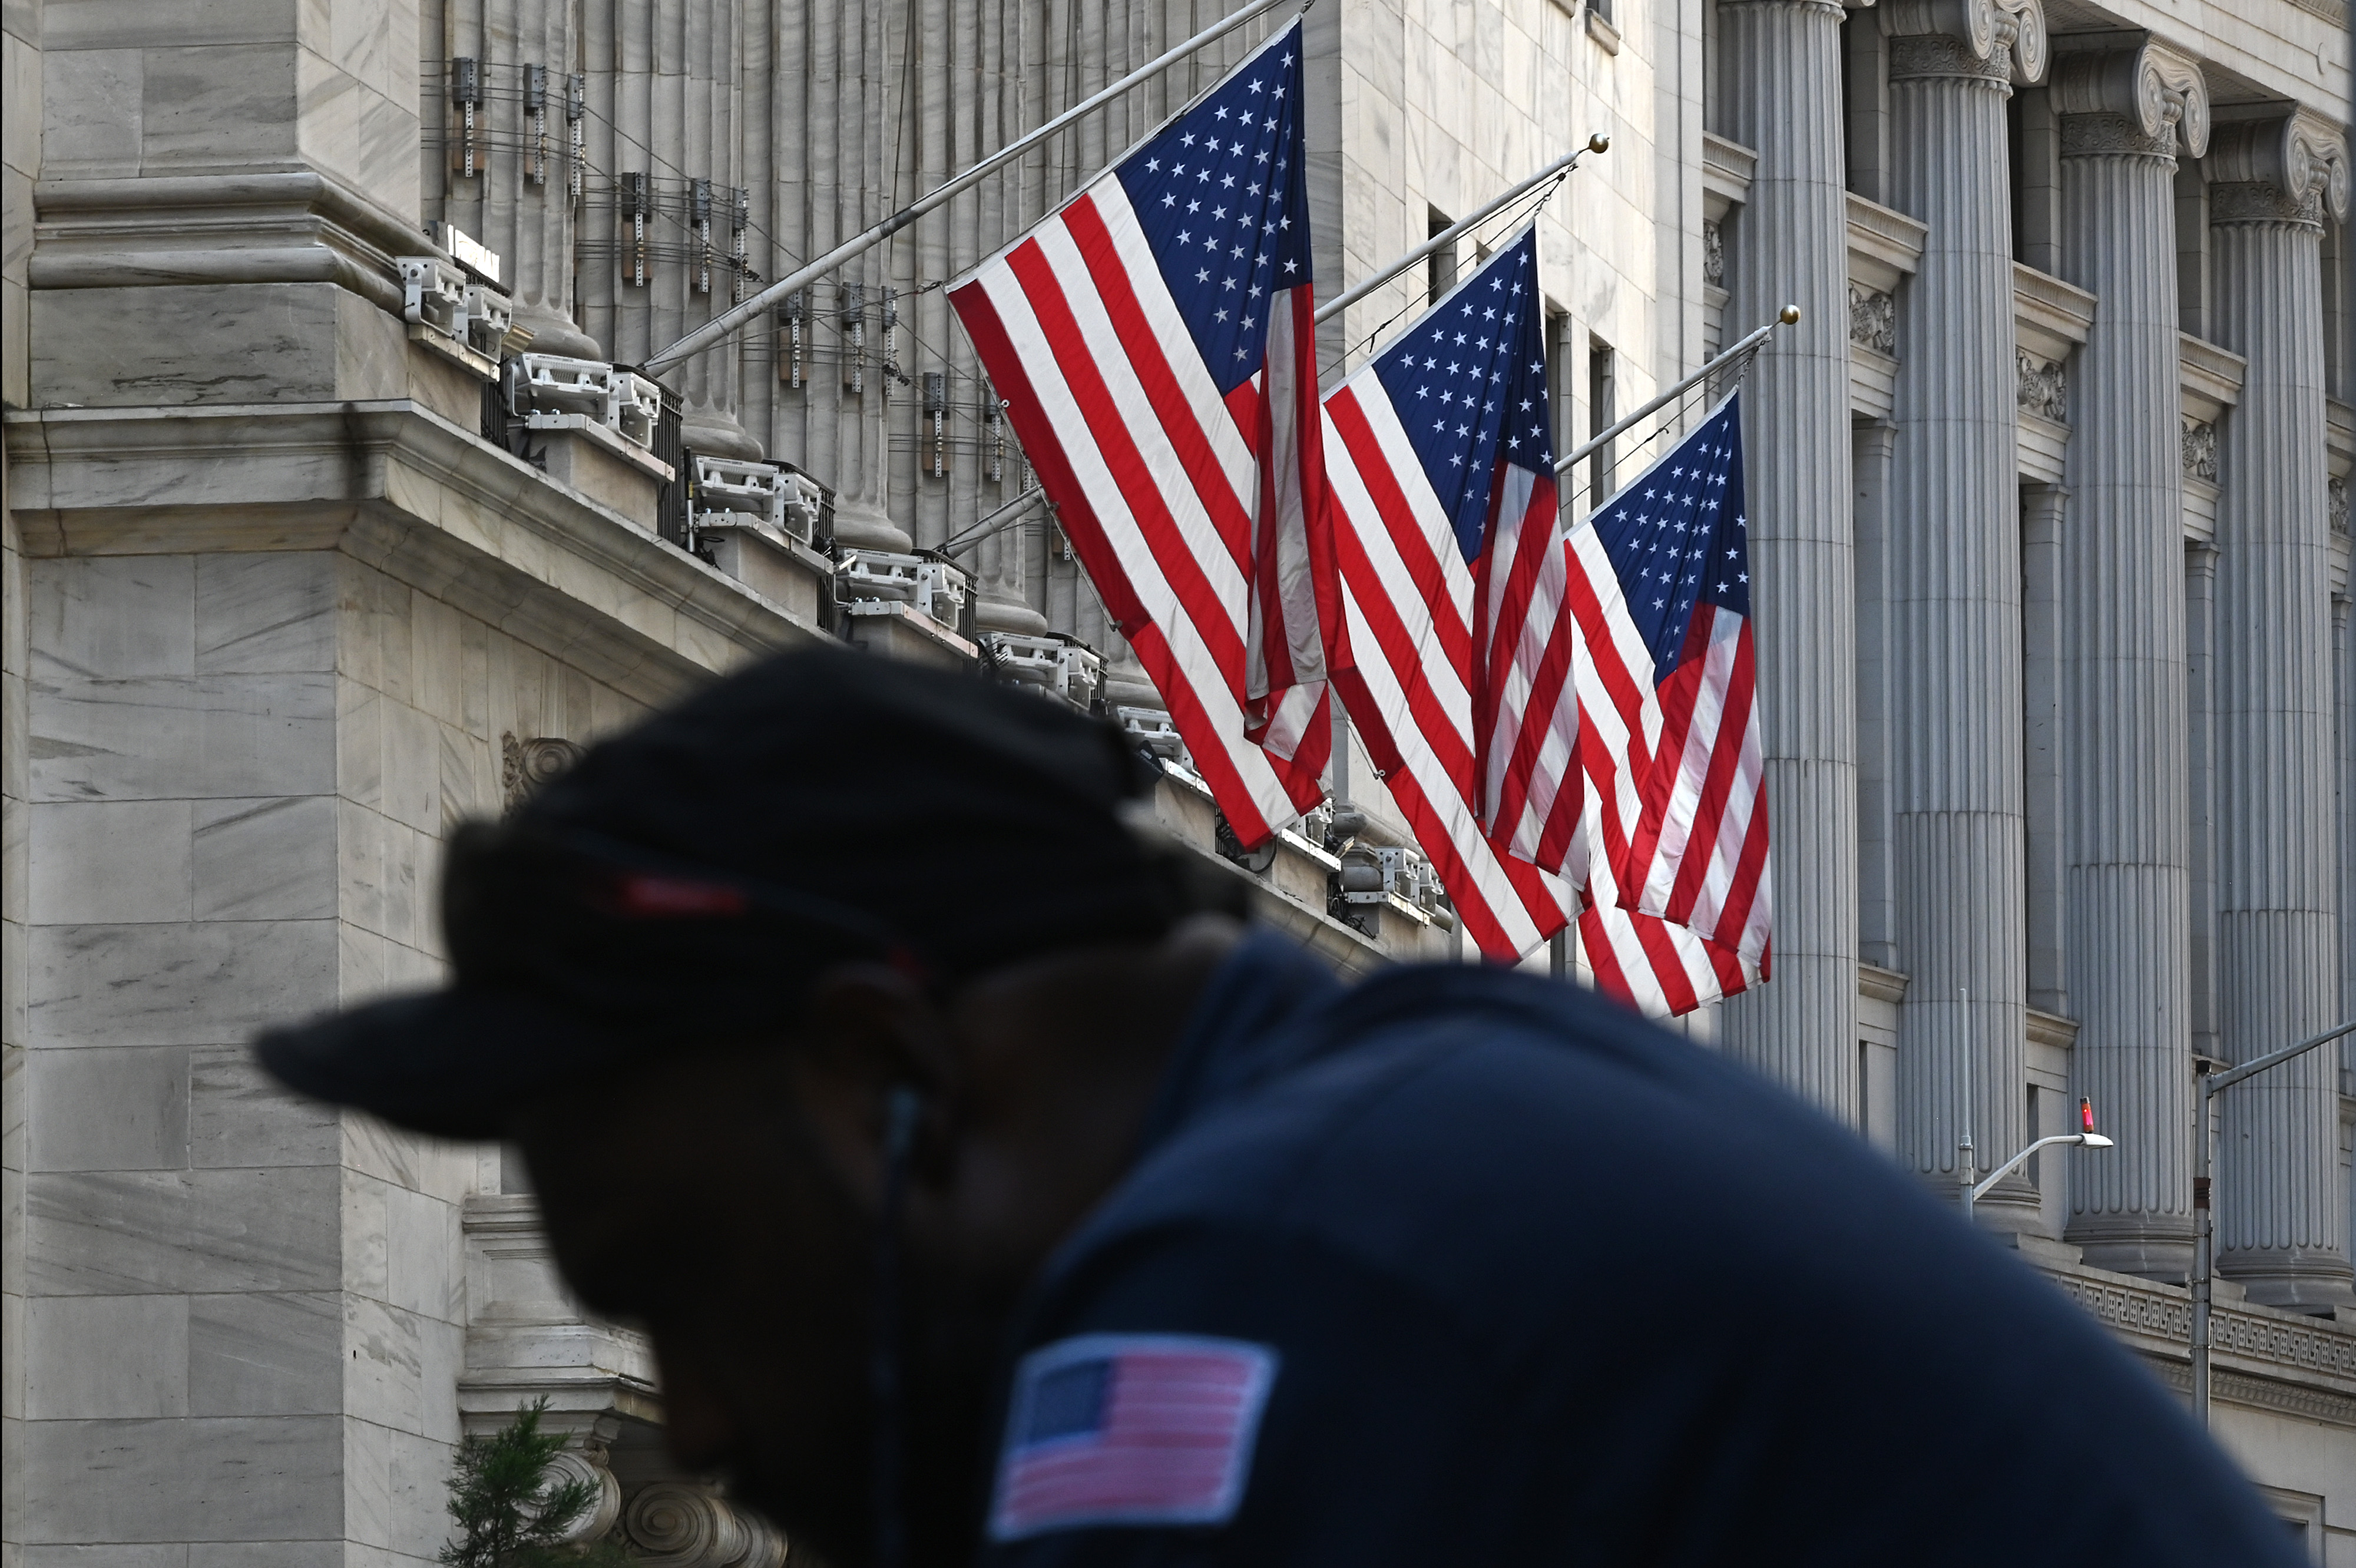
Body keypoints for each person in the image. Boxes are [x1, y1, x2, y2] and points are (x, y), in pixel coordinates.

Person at [259, 646, 2302, 1568]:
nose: (693, 1415)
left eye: (684, 1283)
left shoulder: (1263, 1276)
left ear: (893, 1083)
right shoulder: (1425, 1130)